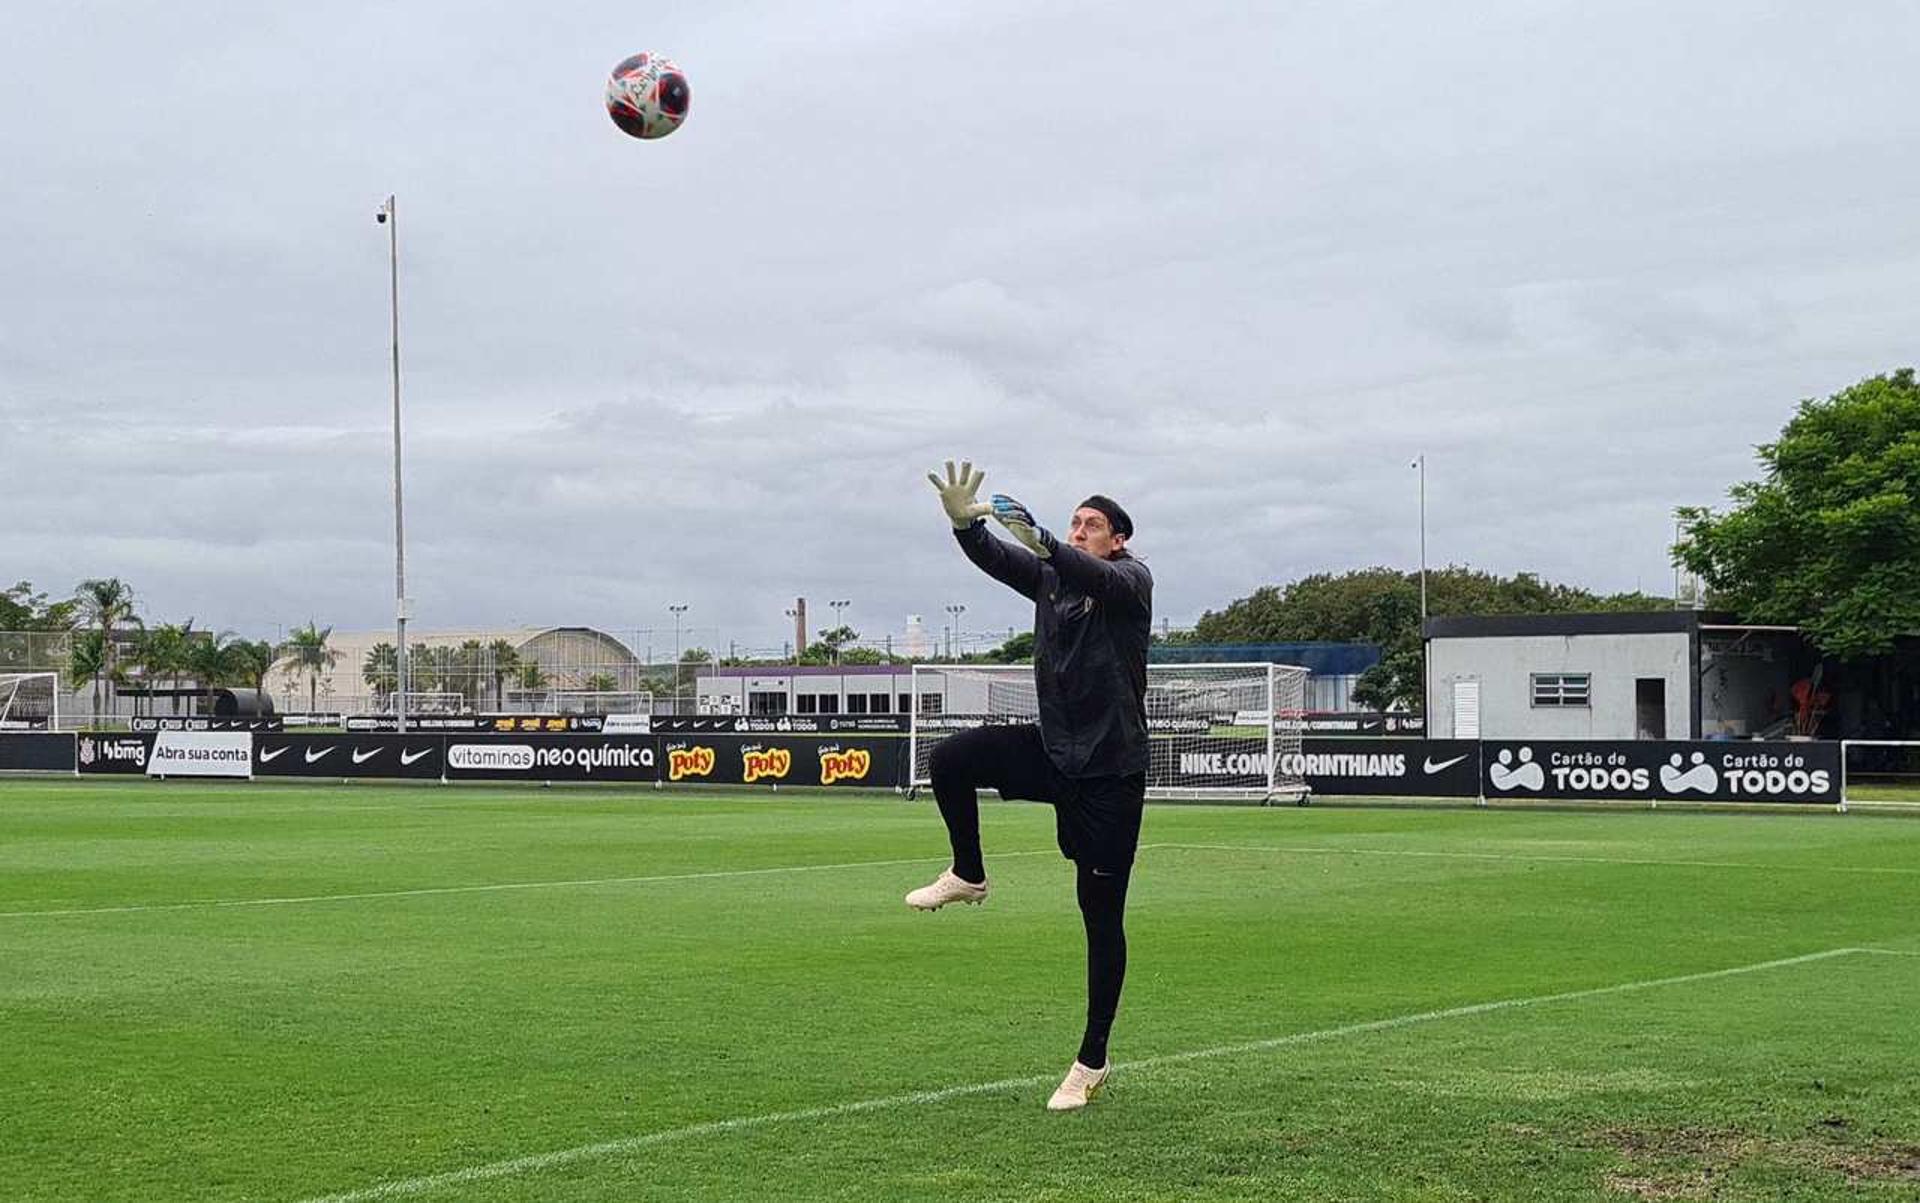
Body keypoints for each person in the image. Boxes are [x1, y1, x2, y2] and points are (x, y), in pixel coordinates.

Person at [907, 460, 1153, 1112]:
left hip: (1109, 775)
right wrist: (964, 523)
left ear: (1117, 538)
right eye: (1075, 520)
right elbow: (994, 557)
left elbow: (1090, 572)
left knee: (1100, 918)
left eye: (1091, 524)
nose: (1080, 529)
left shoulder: (1129, 581)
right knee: (951, 758)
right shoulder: (1050, 581)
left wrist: (1047, 539)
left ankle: (1091, 1060)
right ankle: (968, 872)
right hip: (1054, 753)